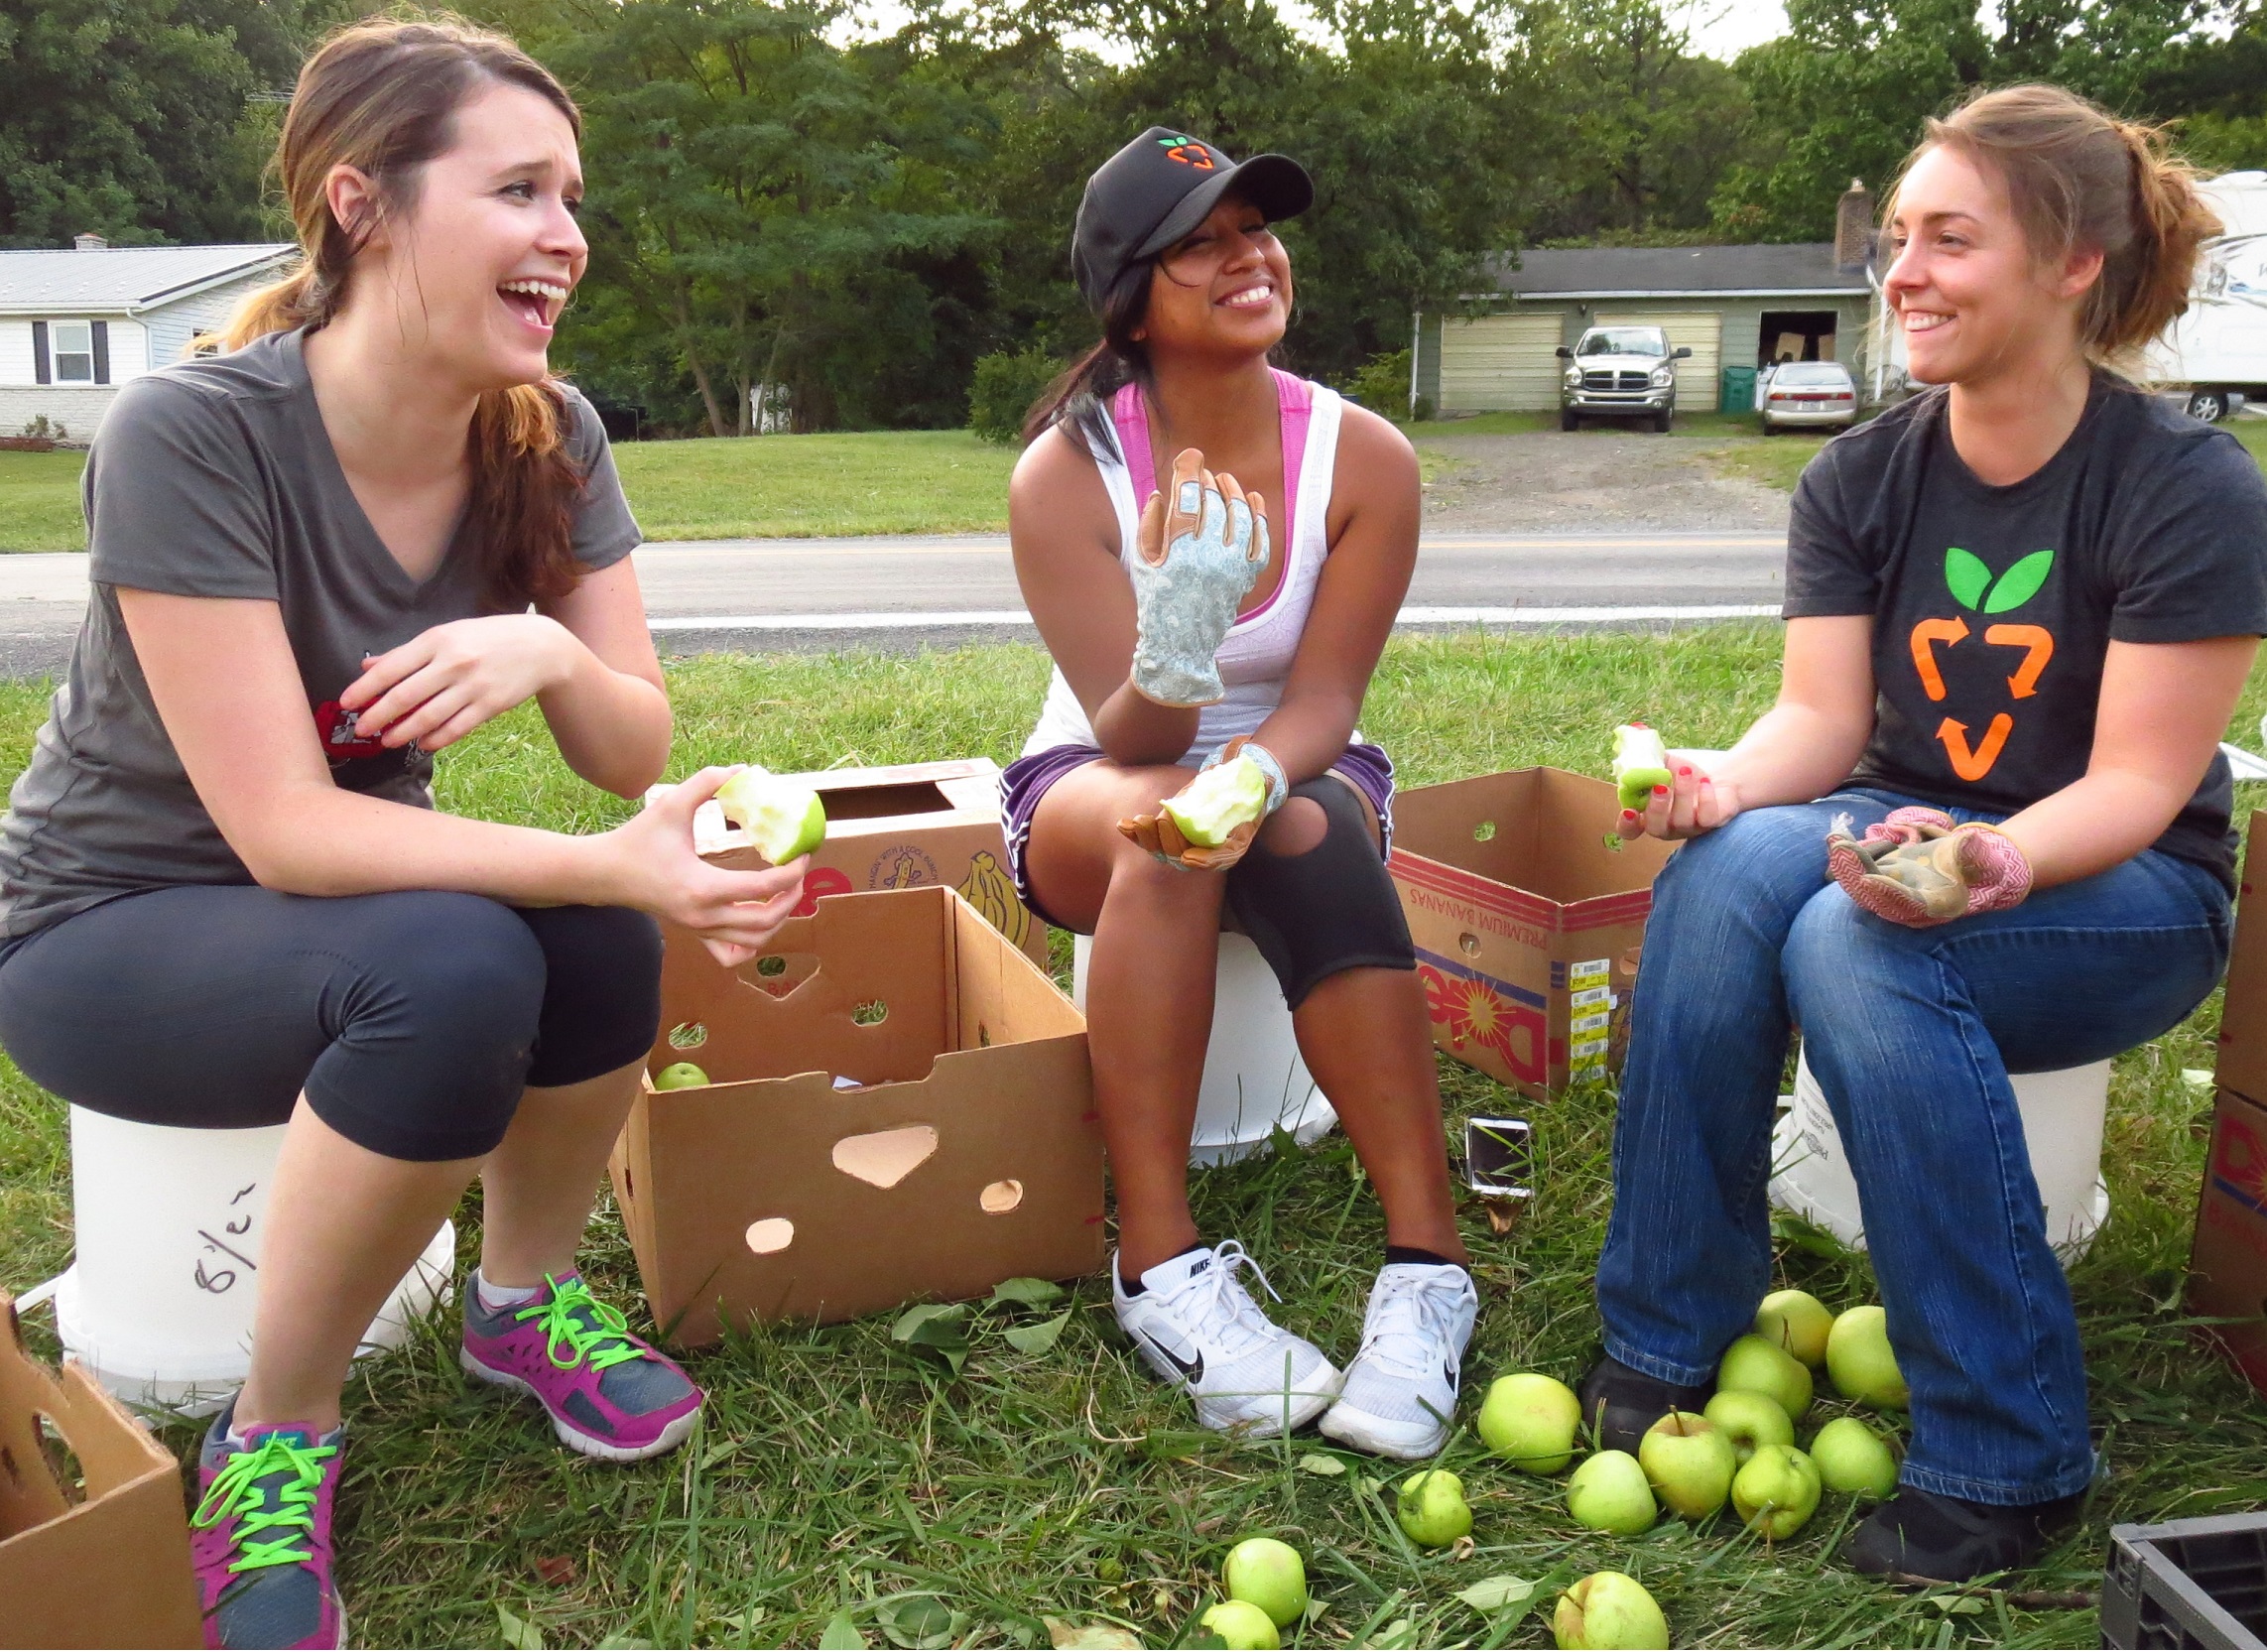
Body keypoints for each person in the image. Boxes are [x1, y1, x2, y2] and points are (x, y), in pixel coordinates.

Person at [0, 20, 804, 1649]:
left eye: (572, 194)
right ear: (362, 203)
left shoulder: (547, 435)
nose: (567, 235)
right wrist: (613, 861)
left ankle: (518, 1305)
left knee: (578, 935)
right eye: (519, 189)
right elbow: (286, 829)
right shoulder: (196, 434)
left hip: (345, 918)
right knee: (465, 955)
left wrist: (555, 654)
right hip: (104, 932)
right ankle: (270, 1435)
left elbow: (624, 745)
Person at [1585, 83, 2267, 1583]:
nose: (1900, 272)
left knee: (1855, 935)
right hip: (1884, 815)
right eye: (1897, 237)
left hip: (2121, 888)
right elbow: (1820, 723)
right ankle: (1665, 1333)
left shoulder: (2186, 487)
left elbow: (2140, 787)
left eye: (1948, 238)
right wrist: (1722, 784)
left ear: (2071, 260)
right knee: (1721, 874)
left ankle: (2006, 1450)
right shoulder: (1861, 473)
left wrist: (1985, 859)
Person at [1001, 128, 1476, 1459]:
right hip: (1103, 767)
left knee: (1307, 831)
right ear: (1129, 295)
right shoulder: (1066, 473)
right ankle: (1157, 1268)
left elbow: (1323, 699)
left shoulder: (1363, 457)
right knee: (1166, 842)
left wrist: (1257, 766)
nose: (1246, 256)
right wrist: (1179, 637)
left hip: (1298, 761)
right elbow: (1127, 725)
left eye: (1256, 229)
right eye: (1199, 242)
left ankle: (1426, 1270)